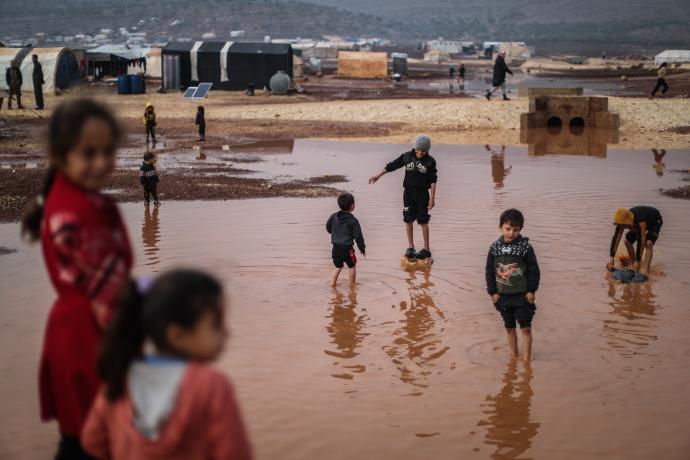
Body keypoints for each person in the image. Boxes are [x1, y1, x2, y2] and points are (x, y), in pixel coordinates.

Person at [20, 99, 133, 459]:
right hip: (89, 339)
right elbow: (105, 293)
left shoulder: (81, 200)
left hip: (79, 333)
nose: (101, 162)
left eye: (107, 151)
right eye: (88, 153)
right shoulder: (75, 209)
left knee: (81, 438)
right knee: (95, 441)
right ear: (59, 154)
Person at [81, 269, 253, 460]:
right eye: (216, 325)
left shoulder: (119, 380)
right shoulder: (213, 386)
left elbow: (93, 441)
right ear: (177, 335)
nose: (227, 332)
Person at [368, 134, 437, 261]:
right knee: (408, 219)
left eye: (423, 151)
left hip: (423, 194)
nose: (419, 153)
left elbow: (433, 181)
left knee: (423, 221)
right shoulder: (407, 156)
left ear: (427, 150)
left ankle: (426, 249)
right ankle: (411, 247)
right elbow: (392, 166)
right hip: (408, 193)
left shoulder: (430, 161)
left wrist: (432, 198)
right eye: (417, 150)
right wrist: (378, 175)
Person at [485, 209, 540, 362]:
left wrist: (531, 290)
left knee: (526, 328)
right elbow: (489, 271)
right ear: (500, 227)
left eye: (516, 230)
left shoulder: (525, 247)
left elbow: (533, 270)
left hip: (522, 296)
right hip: (503, 296)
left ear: (521, 229)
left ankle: (527, 361)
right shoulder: (494, 248)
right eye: (508, 229)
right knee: (509, 328)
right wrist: (492, 292)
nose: (511, 233)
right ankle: (514, 358)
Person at [607, 206, 663, 274]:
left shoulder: (640, 221)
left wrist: (638, 260)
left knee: (648, 243)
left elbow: (641, 241)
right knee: (627, 241)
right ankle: (634, 264)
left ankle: (646, 270)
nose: (621, 227)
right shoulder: (622, 220)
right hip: (636, 224)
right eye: (619, 225)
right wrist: (612, 257)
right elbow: (616, 238)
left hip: (655, 221)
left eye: (622, 225)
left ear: (626, 222)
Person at [326, 192, 365, 287]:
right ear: (352, 206)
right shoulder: (353, 220)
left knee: (337, 266)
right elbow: (358, 237)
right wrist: (362, 249)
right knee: (352, 266)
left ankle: (332, 284)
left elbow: (328, 228)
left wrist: (335, 234)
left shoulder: (333, 216)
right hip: (348, 248)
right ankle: (352, 286)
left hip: (335, 247)